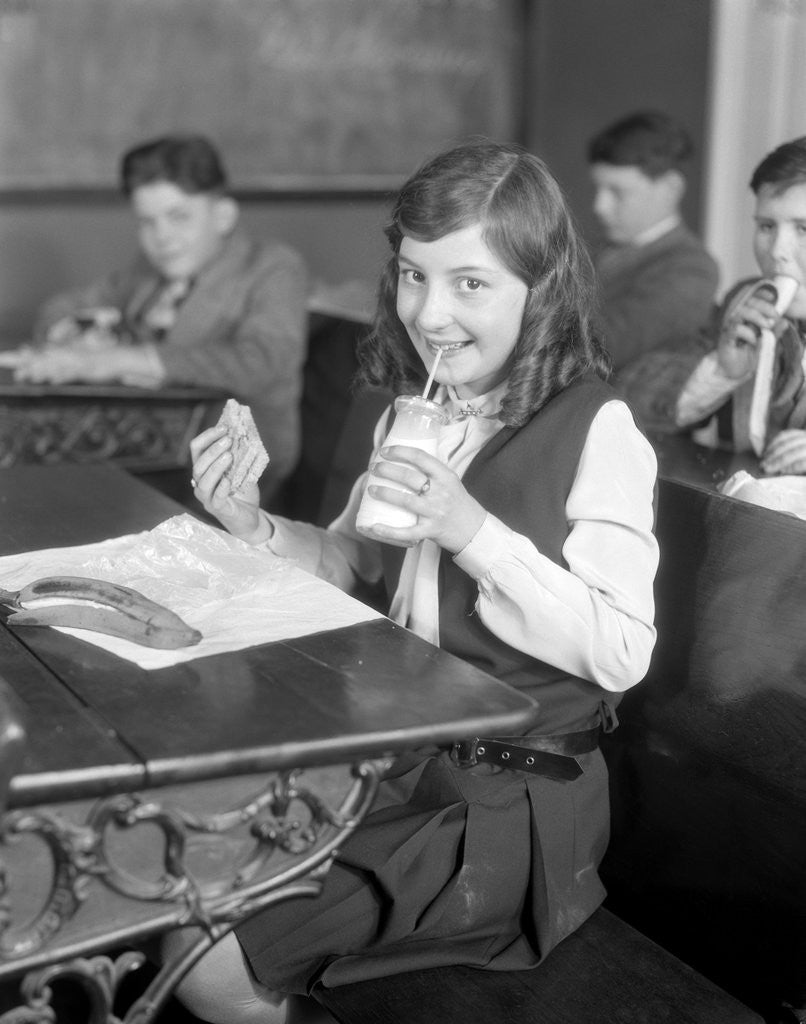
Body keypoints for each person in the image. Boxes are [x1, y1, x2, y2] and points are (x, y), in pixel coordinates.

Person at [171, 140, 659, 1024]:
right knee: (173, 873)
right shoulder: (414, 413)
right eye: (412, 276)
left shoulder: (600, 428)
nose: (430, 313)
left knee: (203, 966)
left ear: (538, 289)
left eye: (470, 283)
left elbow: (622, 650)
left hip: (509, 805)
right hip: (403, 768)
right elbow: (351, 562)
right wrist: (251, 521)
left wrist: (471, 530)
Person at [14, 134, 309, 503]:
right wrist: (73, 334)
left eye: (178, 217)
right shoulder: (148, 272)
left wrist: (113, 361)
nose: (162, 237)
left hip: (233, 466)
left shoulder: (271, 268)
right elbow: (63, 307)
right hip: (137, 451)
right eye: (147, 222)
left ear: (223, 215)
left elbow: (262, 361)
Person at [619, 135, 806, 476]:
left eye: (803, 229)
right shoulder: (745, 304)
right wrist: (720, 369)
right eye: (766, 226)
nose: (778, 250)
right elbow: (628, 402)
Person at [588, 110, 719, 374]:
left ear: (671, 188)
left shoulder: (690, 270)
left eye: (617, 192)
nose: (599, 206)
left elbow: (601, 349)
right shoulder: (595, 250)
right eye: (598, 189)